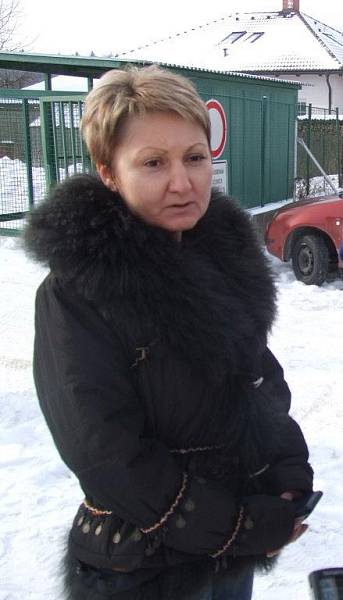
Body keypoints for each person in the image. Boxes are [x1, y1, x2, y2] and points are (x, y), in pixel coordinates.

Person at [23, 66, 314, 600]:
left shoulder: (219, 259)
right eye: (153, 163)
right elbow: (105, 452)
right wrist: (238, 527)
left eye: (195, 158)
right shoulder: (78, 290)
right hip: (140, 570)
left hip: (228, 559)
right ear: (108, 172)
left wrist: (287, 473)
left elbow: (257, 382)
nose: (182, 182)